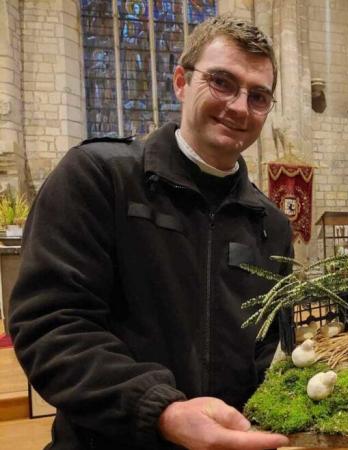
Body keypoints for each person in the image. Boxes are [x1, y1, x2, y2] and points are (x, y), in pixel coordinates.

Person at [9, 15, 293, 450]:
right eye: (221, 82)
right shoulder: (99, 178)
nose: (239, 107)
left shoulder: (270, 224)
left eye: (258, 97)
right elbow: (51, 326)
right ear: (180, 81)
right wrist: (159, 409)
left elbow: (266, 352)